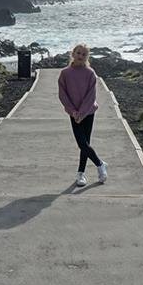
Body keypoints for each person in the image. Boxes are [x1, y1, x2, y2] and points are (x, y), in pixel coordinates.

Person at [57, 43, 108, 187]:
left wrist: (82, 113)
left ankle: (81, 174)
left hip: (88, 112)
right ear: (73, 54)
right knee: (82, 143)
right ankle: (100, 164)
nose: (81, 56)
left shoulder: (90, 73)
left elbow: (91, 96)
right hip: (74, 113)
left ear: (87, 57)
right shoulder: (65, 73)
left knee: (85, 143)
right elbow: (63, 95)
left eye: (84, 54)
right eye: (78, 53)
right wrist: (73, 111)